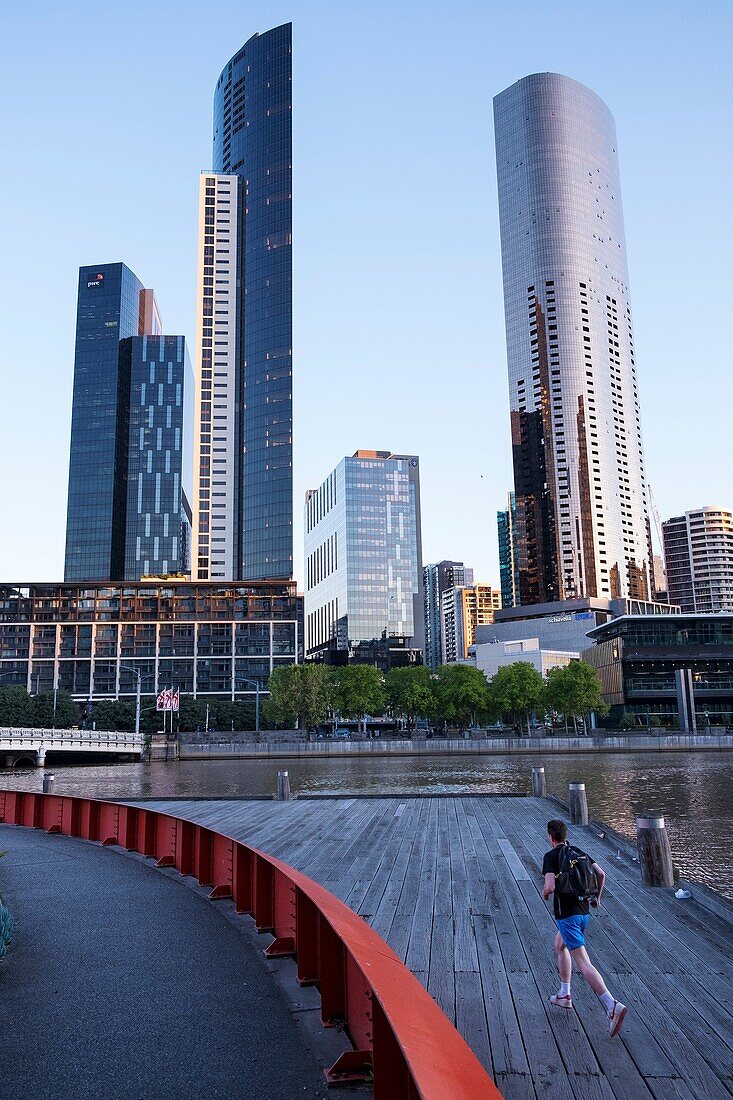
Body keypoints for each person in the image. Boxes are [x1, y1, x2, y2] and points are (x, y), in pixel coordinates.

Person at [542, 818, 627, 1037]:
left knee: (583, 962)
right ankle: (564, 994)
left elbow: (550, 886)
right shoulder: (578, 851)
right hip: (583, 913)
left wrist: (546, 893)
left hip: (567, 915)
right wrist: (596, 899)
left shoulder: (551, 857)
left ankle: (611, 1005)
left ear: (550, 837)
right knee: (559, 945)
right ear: (565, 836)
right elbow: (601, 874)